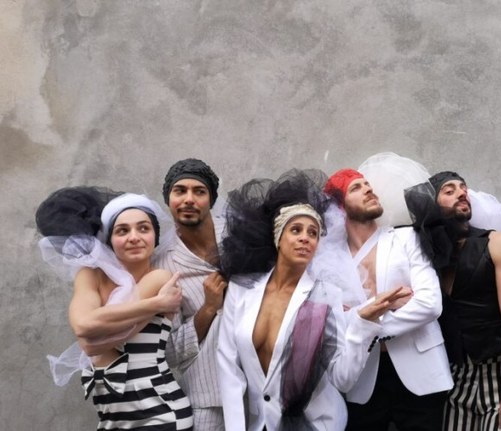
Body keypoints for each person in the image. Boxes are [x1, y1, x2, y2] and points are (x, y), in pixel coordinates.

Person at [216, 169, 410, 431]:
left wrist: (364, 324)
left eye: (313, 233)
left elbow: (342, 378)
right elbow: (229, 368)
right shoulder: (241, 290)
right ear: (278, 238)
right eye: (296, 230)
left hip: (317, 424)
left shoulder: (326, 296)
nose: (305, 238)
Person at [37, 188, 193, 430]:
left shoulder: (159, 278)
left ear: (155, 236)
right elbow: (84, 326)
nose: (134, 237)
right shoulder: (90, 275)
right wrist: (157, 304)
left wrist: (96, 323)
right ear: (109, 239)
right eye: (122, 230)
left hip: (161, 414)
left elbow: (93, 344)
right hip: (111, 418)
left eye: (144, 228)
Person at [320, 168, 453, 431]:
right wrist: (388, 303)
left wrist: (363, 321)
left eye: (367, 184)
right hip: (363, 379)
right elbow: (333, 322)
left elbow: (429, 304)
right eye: (356, 187)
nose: (368, 189)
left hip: (421, 375)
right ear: (339, 207)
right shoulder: (331, 262)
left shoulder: (406, 238)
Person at [406, 171, 501, 431]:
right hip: (451, 379)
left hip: (498, 374)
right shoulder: (423, 253)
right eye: (449, 190)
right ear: (432, 204)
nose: (462, 193)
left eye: (463, 188)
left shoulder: (497, 242)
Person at [155, 158, 227, 431]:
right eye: (180, 191)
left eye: (199, 191)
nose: (189, 199)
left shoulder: (240, 236)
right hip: (209, 398)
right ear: (168, 198)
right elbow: (169, 352)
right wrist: (207, 309)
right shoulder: (162, 265)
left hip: (261, 390)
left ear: (211, 199)